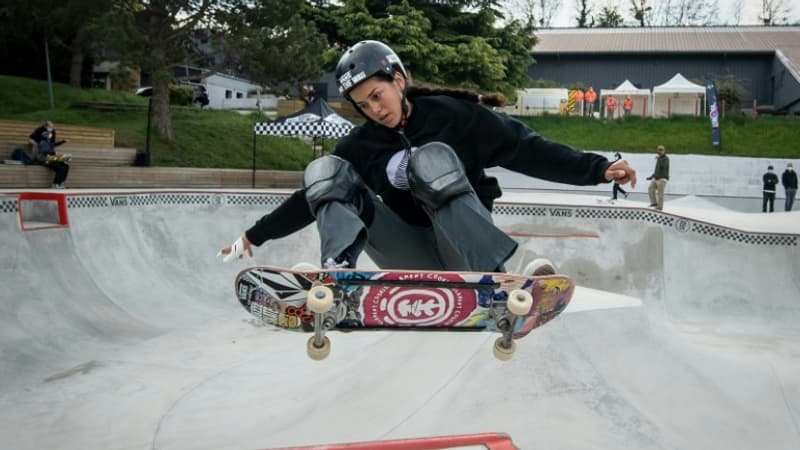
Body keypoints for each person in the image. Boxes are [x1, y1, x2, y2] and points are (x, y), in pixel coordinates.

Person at [219, 40, 636, 275]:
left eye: (377, 96)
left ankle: (513, 264)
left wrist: (597, 168)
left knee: (430, 161)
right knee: (328, 172)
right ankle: (339, 272)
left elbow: (526, 147)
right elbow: (310, 198)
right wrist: (255, 235)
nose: (374, 110)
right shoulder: (362, 145)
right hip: (406, 252)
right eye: (363, 105)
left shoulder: (454, 117)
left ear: (398, 81)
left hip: (465, 248)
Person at [29, 120, 70, 188]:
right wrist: (55, 156)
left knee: (66, 166)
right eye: (49, 135)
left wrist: (63, 141)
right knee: (60, 167)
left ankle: (61, 183)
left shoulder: (49, 143)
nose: (51, 136)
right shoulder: (42, 143)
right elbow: (45, 152)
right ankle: (55, 184)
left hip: (50, 158)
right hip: (44, 159)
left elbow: (54, 144)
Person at [646, 145, 669, 210]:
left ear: (664, 151)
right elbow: (657, 170)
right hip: (656, 178)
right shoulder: (659, 158)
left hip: (662, 179)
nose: (659, 151)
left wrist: (659, 159)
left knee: (660, 193)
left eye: (661, 150)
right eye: (659, 150)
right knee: (650, 188)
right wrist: (651, 177)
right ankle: (654, 203)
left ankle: (660, 207)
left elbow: (663, 167)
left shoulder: (666, 159)